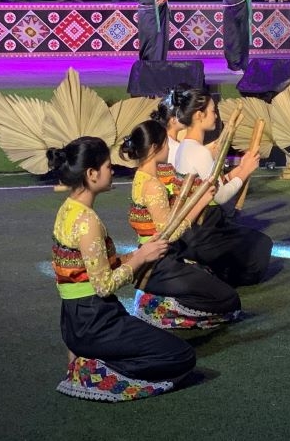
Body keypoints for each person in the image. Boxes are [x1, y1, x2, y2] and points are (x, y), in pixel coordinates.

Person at [49, 137, 195, 401]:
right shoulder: (87, 221)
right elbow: (103, 285)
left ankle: (87, 357)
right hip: (95, 321)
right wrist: (141, 259)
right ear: (92, 174)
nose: (112, 170)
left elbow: (93, 268)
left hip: (74, 321)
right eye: (107, 166)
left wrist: (140, 253)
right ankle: (93, 370)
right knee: (181, 355)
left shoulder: (67, 210)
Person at [120, 121, 242, 329]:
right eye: (166, 143)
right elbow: (171, 233)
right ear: (155, 148)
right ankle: (159, 308)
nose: (169, 148)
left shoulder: (141, 176)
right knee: (229, 300)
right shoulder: (152, 185)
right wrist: (202, 200)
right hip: (159, 262)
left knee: (209, 274)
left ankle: (159, 298)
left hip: (155, 257)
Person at [174, 88, 272, 286]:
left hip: (190, 229)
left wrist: (241, 168)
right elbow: (221, 196)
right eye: (213, 111)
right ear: (199, 115)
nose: (216, 116)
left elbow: (211, 184)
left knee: (252, 240)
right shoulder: (200, 152)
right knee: (261, 245)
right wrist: (245, 170)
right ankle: (212, 274)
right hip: (203, 231)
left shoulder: (184, 146)